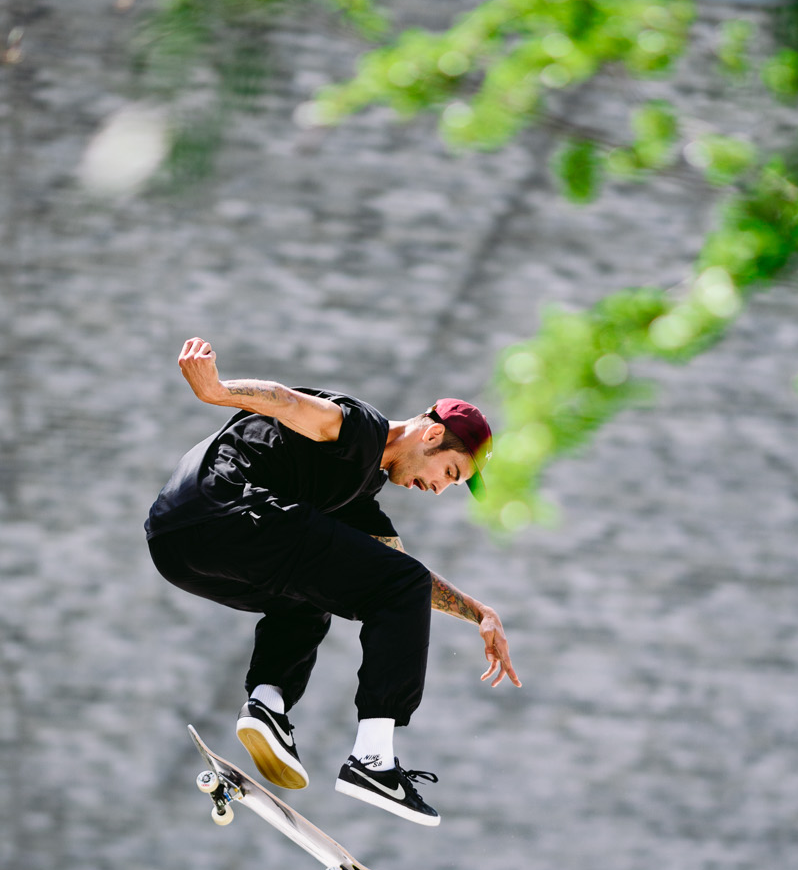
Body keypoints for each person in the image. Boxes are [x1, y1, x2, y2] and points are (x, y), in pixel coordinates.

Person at [145, 337, 522, 828]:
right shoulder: (362, 430)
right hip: (228, 510)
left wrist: (480, 613)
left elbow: (397, 573)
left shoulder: (356, 493)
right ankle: (373, 762)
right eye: (448, 472)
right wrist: (217, 390)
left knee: (316, 591)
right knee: (389, 583)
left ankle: (268, 705)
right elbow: (288, 402)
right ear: (431, 435)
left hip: (176, 545)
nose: (437, 488)